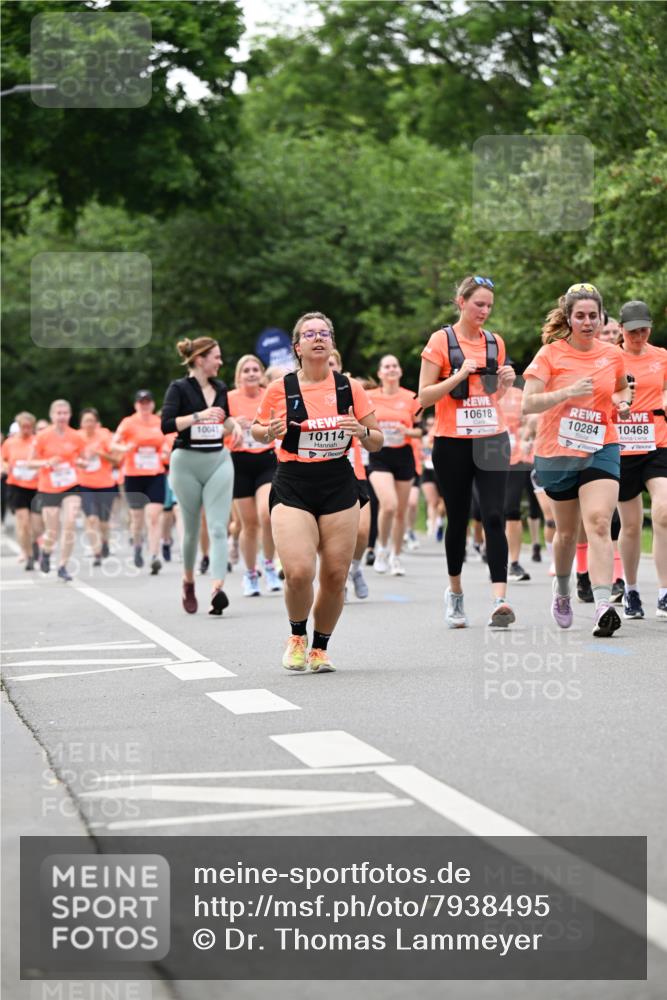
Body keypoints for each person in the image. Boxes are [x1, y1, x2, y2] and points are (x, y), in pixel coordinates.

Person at [252, 311, 382, 672]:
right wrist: (269, 432)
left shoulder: (348, 388)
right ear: (297, 346)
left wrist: (360, 431)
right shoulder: (280, 388)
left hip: (339, 482)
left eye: (324, 332)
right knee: (297, 571)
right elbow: (257, 430)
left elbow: (377, 441)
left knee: (336, 575)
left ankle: (321, 646)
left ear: (332, 343)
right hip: (294, 482)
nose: (318, 338)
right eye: (309, 334)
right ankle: (297, 635)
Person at [522, 283, 631, 637]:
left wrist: (622, 402)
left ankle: (603, 605)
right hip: (558, 451)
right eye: (580, 316)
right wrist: (568, 392)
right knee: (566, 534)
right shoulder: (550, 354)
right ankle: (563, 591)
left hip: (602, 444)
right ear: (569, 319)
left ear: (602, 318)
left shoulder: (612, 354)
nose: (587, 322)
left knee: (599, 521)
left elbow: (619, 387)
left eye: (593, 316)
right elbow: (528, 403)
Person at [419, 275, 516, 628]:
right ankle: (455, 594)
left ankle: (500, 599)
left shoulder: (495, 343)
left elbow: (492, 398)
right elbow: (424, 396)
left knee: (494, 514)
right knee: (458, 516)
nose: (485, 311)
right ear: (461, 302)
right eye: (479, 304)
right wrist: (457, 376)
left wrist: (504, 384)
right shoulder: (441, 341)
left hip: (492, 437)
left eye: (489, 305)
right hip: (452, 441)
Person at [161, 337, 241, 614]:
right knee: (193, 529)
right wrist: (199, 415)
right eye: (216, 357)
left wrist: (235, 427)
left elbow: (224, 418)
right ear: (199, 360)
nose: (220, 362)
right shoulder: (179, 388)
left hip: (218, 460)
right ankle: (188, 580)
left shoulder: (220, 387)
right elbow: (167, 425)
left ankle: (217, 588)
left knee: (219, 527)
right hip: (186, 462)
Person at [615, 300, 667, 619]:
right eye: (633, 330)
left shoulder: (661, 356)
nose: (640, 335)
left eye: (644, 328)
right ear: (621, 329)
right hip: (622, 447)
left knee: (663, 513)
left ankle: (664, 591)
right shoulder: (610, 358)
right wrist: (617, 404)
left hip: (658, 442)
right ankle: (631, 590)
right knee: (632, 525)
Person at [227, 354, 282, 596]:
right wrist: (232, 425)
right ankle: (250, 574)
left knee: (266, 515)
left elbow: (283, 423)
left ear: (261, 374)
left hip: (266, 460)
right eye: (246, 370)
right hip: (238, 461)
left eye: (255, 369)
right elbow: (215, 430)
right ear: (238, 376)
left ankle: (269, 565)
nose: (250, 373)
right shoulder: (229, 399)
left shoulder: (269, 395)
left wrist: (271, 427)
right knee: (248, 524)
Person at [367, 355, 422, 575]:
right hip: (379, 455)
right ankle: (381, 548)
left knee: (400, 511)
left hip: (403, 456)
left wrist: (408, 432)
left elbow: (421, 430)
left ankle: (396, 556)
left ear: (400, 371)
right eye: (386, 366)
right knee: (388, 505)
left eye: (394, 366)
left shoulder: (412, 398)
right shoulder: (369, 397)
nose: (391, 369)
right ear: (380, 373)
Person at [329, 349, 371, 600]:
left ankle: (354, 569)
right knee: (333, 535)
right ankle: (338, 576)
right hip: (325, 472)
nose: (328, 366)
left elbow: (373, 432)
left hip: (355, 469)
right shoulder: (305, 393)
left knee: (363, 531)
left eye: (333, 363)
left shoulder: (351, 392)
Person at [112, 390, 168, 575]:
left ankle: (154, 556)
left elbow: (167, 442)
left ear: (152, 404)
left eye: (147, 402)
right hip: (134, 475)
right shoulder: (128, 423)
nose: (144, 405)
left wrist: (165, 451)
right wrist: (124, 447)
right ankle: (137, 545)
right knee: (136, 518)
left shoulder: (158, 422)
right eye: (141, 402)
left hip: (155, 474)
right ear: (136, 405)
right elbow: (113, 444)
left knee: (153, 517)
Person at [29, 399, 85, 581]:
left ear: (70, 415)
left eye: (65, 413)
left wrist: (81, 462)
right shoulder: (42, 436)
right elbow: (30, 463)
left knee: (69, 523)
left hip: (71, 484)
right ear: (52, 415)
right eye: (58, 413)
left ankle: (62, 566)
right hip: (49, 487)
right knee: (52, 530)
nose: (62, 416)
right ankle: (46, 552)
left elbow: (83, 459)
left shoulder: (76, 436)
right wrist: (46, 462)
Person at [499, 382, 543, 581]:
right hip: (488, 459)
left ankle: (513, 563)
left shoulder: (519, 395)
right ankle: (494, 554)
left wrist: (527, 434)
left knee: (512, 510)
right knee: (489, 512)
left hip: (516, 459)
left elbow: (532, 417)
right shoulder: (483, 392)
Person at [77, 408, 119, 565]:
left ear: (96, 423)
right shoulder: (77, 437)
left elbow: (115, 460)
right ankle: (96, 552)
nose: (89, 424)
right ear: (81, 423)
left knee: (103, 521)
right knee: (91, 519)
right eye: (86, 420)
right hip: (84, 483)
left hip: (105, 483)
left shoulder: (105, 435)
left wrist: (101, 454)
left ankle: (105, 541)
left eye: (92, 421)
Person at [2, 411, 40, 568]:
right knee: (23, 522)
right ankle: (27, 552)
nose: (26, 430)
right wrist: (6, 467)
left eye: (29, 427)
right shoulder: (10, 443)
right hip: (16, 485)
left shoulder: (37, 442)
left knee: (36, 524)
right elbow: (3, 460)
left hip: (36, 486)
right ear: (19, 426)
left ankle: (34, 542)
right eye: (23, 426)